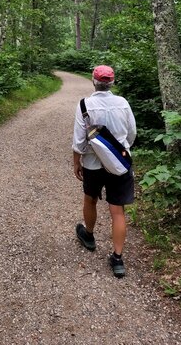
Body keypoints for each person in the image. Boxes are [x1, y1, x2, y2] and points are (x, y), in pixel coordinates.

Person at [73, 65, 136, 278]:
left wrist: (76, 161)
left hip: (92, 163)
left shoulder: (85, 105)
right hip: (119, 163)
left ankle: (89, 236)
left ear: (93, 80)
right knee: (117, 211)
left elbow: (79, 140)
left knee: (90, 199)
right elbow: (132, 133)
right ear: (112, 82)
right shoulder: (123, 103)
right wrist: (120, 151)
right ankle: (117, 259)